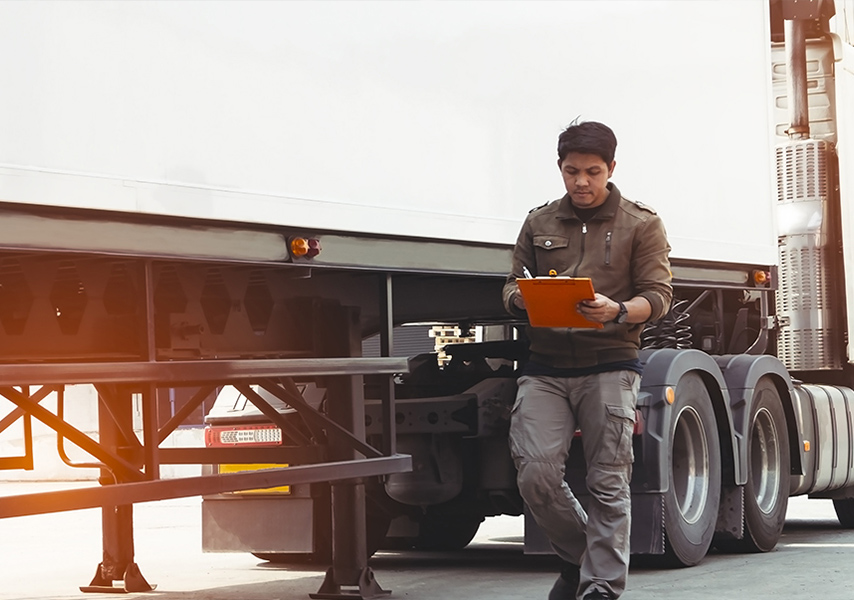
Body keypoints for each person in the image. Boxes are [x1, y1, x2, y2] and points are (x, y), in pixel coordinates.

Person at [502, 121, 672, 600]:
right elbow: (511, 284)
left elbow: (658, 296)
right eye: (572, 171)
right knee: (534, 473)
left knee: (608, 480)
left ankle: (600, 588)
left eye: (592, 172)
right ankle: (582, 560)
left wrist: (617, 310)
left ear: (611, 169)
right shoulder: (538, 222)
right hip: (546, 366)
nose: (581, 182)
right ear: (560, 168)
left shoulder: (641, 224)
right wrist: (526, 300)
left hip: (610, 362)